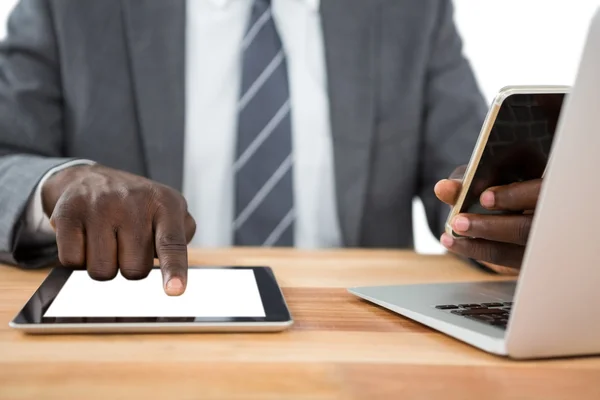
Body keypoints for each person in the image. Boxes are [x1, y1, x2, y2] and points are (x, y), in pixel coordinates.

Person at [0, 0, 536, 296]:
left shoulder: (409, 13)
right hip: (139, 319)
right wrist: (60, 182)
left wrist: (508, 214)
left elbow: (470, 175)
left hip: (356, 334)